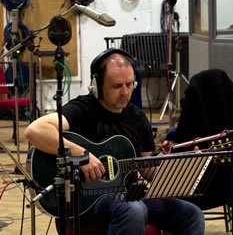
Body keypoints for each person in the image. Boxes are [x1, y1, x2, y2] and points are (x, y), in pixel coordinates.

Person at [24, 48, 204, 235]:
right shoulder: (82, 110)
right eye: (117, 86)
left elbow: (147, 168)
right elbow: (34, 130)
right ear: (97, 85)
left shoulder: (137, 117)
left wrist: (184, 165)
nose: (125, 92)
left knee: (192, 214)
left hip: (129, 196)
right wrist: (82, 155)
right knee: (134, 210)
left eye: (130, 84)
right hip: (89, 200)